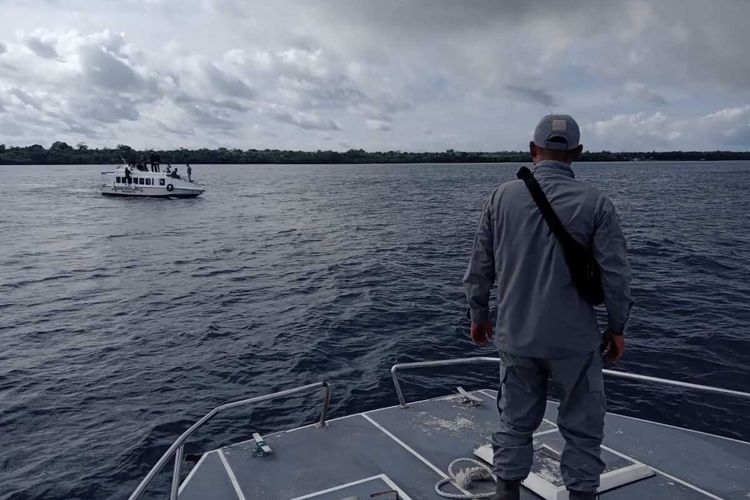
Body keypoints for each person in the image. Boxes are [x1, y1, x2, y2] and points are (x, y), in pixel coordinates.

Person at [463, 114, 632, 500]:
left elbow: (479, 268)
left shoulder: (500, 197)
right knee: (583, 431)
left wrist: (479, 315)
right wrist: (618, 328)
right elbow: (617, 276)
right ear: (578, 152)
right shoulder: (597, 203)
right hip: (575, 341)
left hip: (516, 336)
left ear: (531, 149)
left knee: (514, 426)